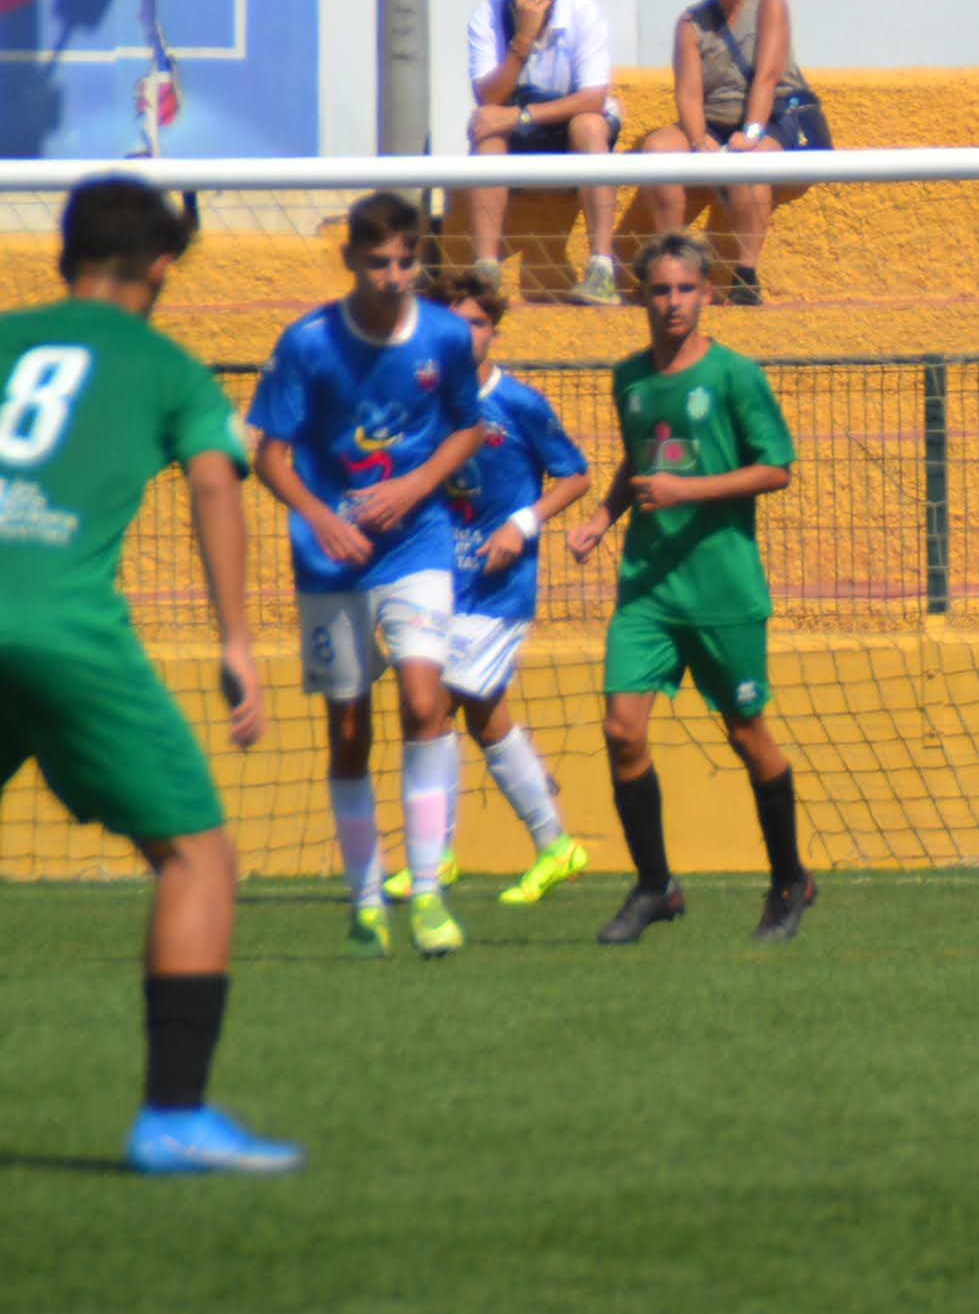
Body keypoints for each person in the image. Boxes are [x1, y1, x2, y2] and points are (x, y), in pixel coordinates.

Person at [0, 181, 300, 1174]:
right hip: (64, 631)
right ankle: (174, 1116)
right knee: (197, 857)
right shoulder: (167, 367)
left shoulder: (7, 339)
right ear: (163, 266)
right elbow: (217, 477)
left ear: (64, 253)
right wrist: (236, 639)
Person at [249, 192, 486, 960]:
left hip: (417, 543)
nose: (392, 275)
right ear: (350, 259)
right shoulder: (308, 344)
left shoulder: (446, 337)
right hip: (331, 556)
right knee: (348, 731)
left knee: (426, 700)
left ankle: (426, 896)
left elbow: (467, 429)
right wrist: (321, 517)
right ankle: (363, 901)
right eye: (378, 261)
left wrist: (416, 488)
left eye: (406, 261)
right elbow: (270, 456)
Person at [566, 233, 815, 944]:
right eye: (660, 289)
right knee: (621, 729)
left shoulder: (736, 376)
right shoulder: (629, 379)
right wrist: (600, 519)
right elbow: (639, 462)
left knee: (747, 736)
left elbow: (777, 468)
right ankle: (654, 886)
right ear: (641, 294)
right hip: (648, 586)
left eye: (685, 289)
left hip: (723, 587)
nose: (672, 302)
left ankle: (790, 879)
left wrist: (690, 490)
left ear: (707, 294)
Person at [409, 269, 598, 909]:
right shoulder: (424, 401)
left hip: (498, 589)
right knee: (484, 716)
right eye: (454, 324)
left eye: (479, 324)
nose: (467, 336)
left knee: (432, 708)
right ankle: (554, 846)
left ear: (494, 332)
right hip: (439, 582)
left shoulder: (518, 404)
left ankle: (437, 859)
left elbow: (574, 475)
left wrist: (523, 522)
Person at [635, 0, 825, 308]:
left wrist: (752, 131)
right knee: (656, 150)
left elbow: (768, 75)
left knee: (748, 165)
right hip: (716, 120)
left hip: (773, 115)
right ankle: (674, 262)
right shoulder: (691, 23)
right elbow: (688, 93)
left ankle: (745, 274)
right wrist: (697, 137)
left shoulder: (769, 3)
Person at [463, 0, 627, 305]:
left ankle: (602, 269)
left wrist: (518, 116)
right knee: (487, 131)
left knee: (589, 125)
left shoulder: (583, 12)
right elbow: (487, 98)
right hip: (518, 124)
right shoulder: (486, 16)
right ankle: (486, 270)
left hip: (571, 121)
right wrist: (523, 38)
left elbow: (592, 98)